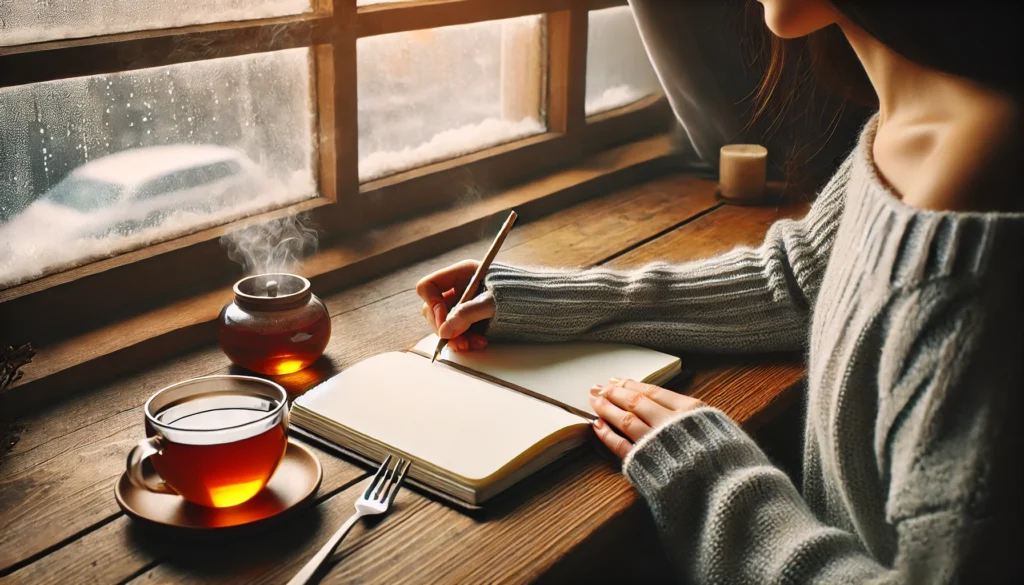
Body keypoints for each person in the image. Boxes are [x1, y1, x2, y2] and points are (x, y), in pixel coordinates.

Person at [416, 0, 1023, 582]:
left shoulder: (980, 198)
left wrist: (716, 480)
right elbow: (796, 281)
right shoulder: (921, 123)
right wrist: (540, 301)